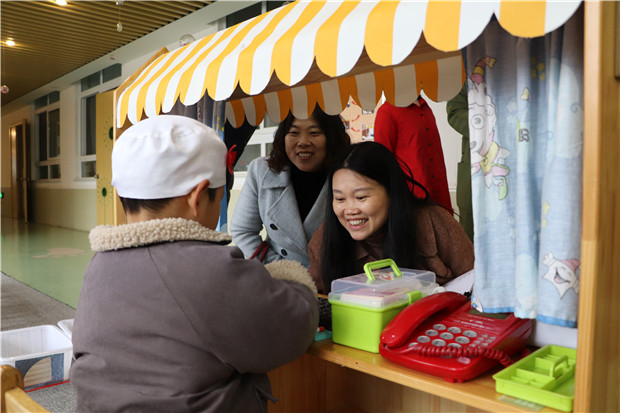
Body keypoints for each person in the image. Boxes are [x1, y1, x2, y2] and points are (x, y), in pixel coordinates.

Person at [71, 115, 319, 412]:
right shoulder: (209, 270)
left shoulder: (99, 265)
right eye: (219, 198)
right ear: (197, 197)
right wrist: (289, 275)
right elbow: (295, 326)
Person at [308, 141, 474, 294]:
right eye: (340, 199)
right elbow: (314, 299)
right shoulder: (326, 237)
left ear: (391, 192)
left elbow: (476, 281)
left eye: (361, 197)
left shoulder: (433, 221)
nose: (350, 210)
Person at [231, 106, 351, 268]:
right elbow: (243, 230)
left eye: (314, 133)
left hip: (334, 276)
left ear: (331, 138)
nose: (303, 142)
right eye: (294, 132)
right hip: (280, 275)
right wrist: (284, 270)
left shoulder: (349, 174)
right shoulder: (262, 171)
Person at [373, 99, 453, 213]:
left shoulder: (425, 108)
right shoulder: (387, 111)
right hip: (412, 200)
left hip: (439, 195)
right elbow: (382, 162)